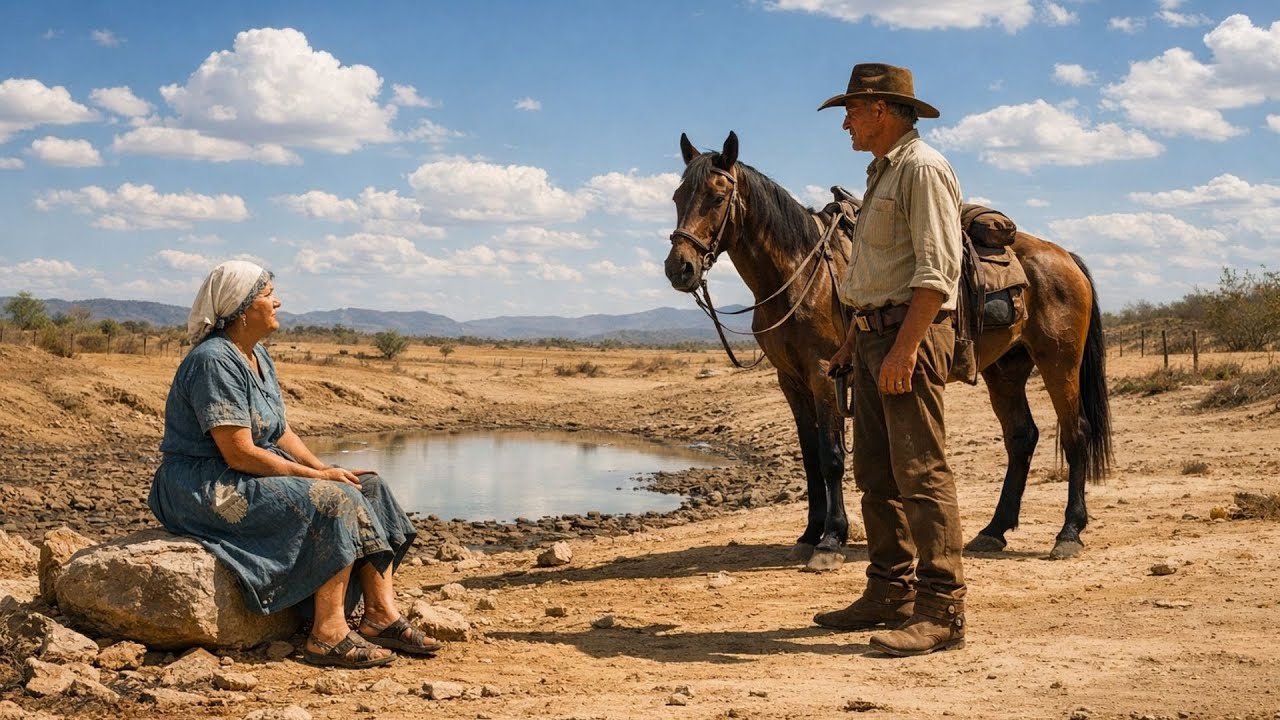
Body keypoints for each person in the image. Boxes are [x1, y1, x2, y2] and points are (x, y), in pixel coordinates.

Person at [149, 260, 440, 668]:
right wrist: (318, 478)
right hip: (205, 483)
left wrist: (324, 468)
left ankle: (380, 615)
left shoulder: (258, 356)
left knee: (368, 487)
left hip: (243, 470)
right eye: (268, 295)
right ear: (241, 307)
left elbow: (280, 431)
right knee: (334, 498)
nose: (278, 302)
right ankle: (327, 634)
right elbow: (239, 453)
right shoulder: (214, 360)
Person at [813, 63, 967, 656]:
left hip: (910, 336)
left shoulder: (922, 169)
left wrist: (904, 349)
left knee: (921, 473)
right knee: (876, 475)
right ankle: (888, 592)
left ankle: (942, 611)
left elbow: (936, 272)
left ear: (881, 109)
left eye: (851, 110)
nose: (846, 123)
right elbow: (877, 275)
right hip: (877, 337)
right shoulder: (883, 172)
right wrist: (854, 344)